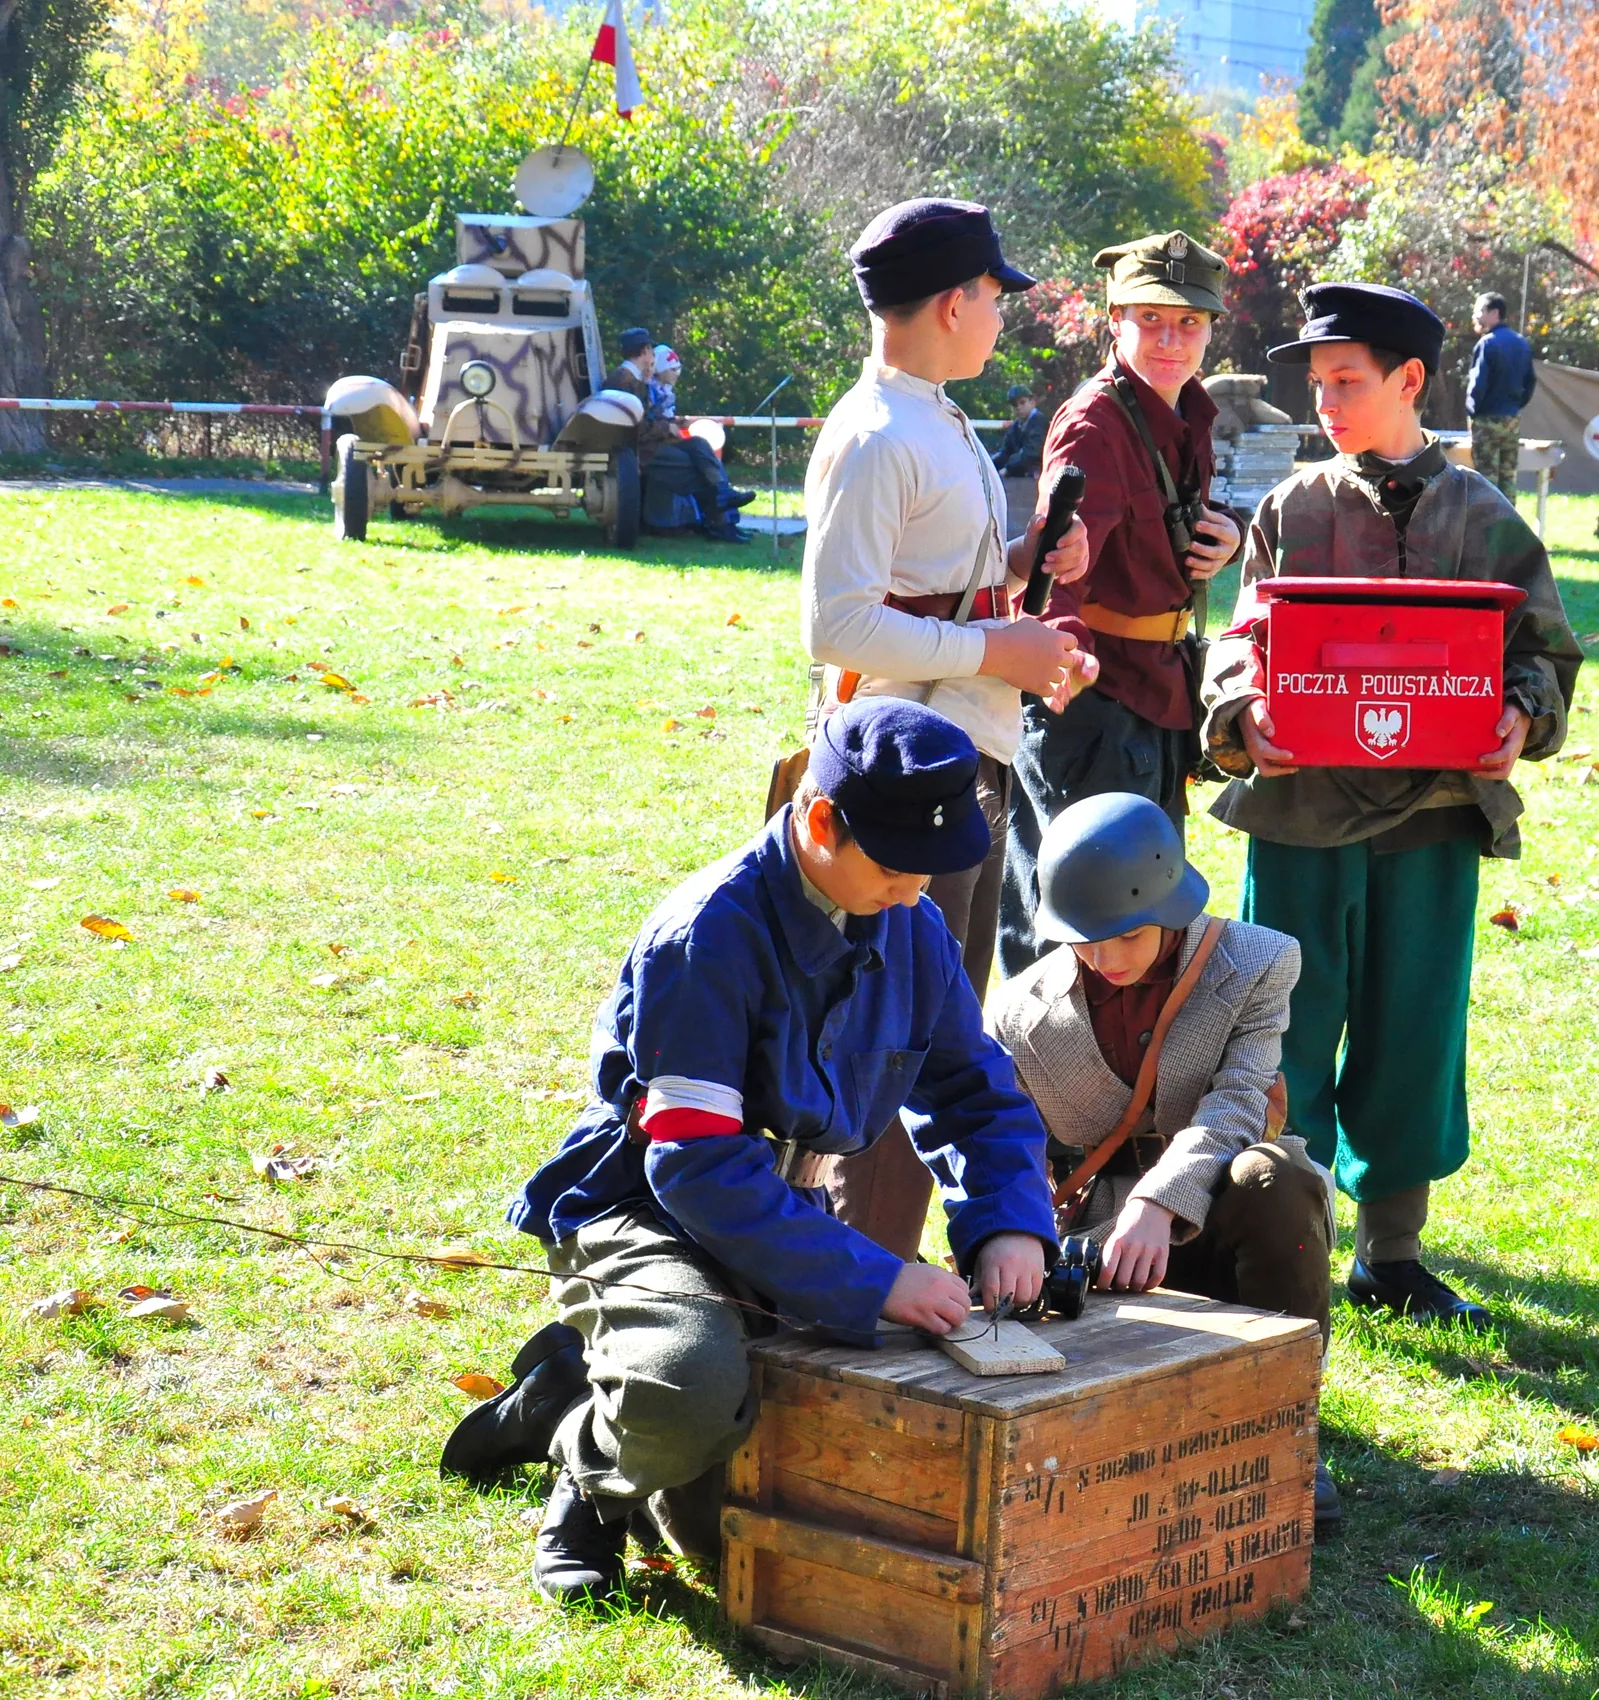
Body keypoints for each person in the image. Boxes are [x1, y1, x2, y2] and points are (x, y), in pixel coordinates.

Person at [502, 697, 1060, 1603]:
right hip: (644, 1207)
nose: (916, 895)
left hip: (784, 1214)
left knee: (789, 1466)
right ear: (818, 819)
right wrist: (878, 1280)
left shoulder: (908, 920)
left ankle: (602, 1371)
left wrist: (1008, 1224)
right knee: (691, 1399)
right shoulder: (706, 934)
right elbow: (693, 1165)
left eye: (931, 872)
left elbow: (972, 1092)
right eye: (893, 867)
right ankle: (584, 1469)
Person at [1200, 282, 1582, 1328]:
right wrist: (1239, 712)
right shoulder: (1292, 508)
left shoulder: (1484, 516)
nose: (1324, 401)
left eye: (1346, 381)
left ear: (1409, 380)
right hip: (1298, 816)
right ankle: (1288, 1242)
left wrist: (1521, 714)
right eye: (1317, 382)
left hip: (1432, 821)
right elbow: (1239, 640)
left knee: (1412, 1033)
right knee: (1282, 1027)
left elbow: (1540, 651)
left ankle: (1392, 1252)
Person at [800, 197, 1092, 1264]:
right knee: (890, 1029)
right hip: (902, 769)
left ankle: (881, 1258)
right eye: (994, 298)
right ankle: (851, 1266)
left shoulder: (930, 415)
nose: (1001, 319)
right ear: (953, 300)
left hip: (959, 751)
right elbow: (835, 621)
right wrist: (994, 651)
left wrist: (1019, 577)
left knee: (936, 1027)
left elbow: (926, 593)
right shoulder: (879, 433)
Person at [986, 792, 1340, 1535]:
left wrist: (1160, 1200)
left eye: (1127, 936)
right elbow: (1010, 1144)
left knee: (1278, 1182)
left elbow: (1239, 1101)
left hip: (1217, 1208)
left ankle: (1285, 1425)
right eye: (1085, 941)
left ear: (1172, 908)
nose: (1104, 959)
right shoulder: (1016, 1012)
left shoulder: (1257, 962)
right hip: (1096, 1247)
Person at [995, 229, 1244, 982]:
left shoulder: (1184, 412)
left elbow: (1161, 525)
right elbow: (1062, 550)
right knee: (1071, 921)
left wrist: (1223, 535)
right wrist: (1062, 648)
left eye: (1189, 323)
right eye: (1151, 320)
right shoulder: (1095, 423)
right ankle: (1033, 1088)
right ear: (1115, 321)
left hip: (1160, 693)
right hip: (1094, 703)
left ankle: (1119, 1092)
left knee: (1144, 915)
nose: (1172, 339)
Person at [645, 343, 756, 542]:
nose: (677, 373)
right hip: (655, 444)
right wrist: (669, 426)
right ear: (661, 369)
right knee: (704, 468)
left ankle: (724, 500)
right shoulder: (649, 390)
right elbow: (650, 420)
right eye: (673, 369)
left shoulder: (666, 391)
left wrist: (678, 422)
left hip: (669, 438)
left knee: (702, 447)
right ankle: (721, 522)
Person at [1463, 291, 1535, 500]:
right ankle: (1509, 528)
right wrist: (1514, 407)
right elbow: (1530, 382)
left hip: (1486, 421)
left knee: (1486, 480)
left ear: (1494, 313)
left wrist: (1473, 413)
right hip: (1511, 420)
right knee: (1508, 480)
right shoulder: (1521, 343)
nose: (1476, 315)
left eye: (1480, 310)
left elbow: (1477, 386)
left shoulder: (1488, 343)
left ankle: (1486, 530)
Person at [993, 382, 1047, 520]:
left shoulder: (1039, 422)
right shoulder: (1016, 426)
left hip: (1037, 479)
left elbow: (1032, 454)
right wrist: (988, 467)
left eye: (1022, 402)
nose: (1018, 407)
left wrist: (1008, 469)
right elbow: (1005, 452)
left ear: (1032, 402)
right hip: (1021, 482)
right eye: (1014, 405)